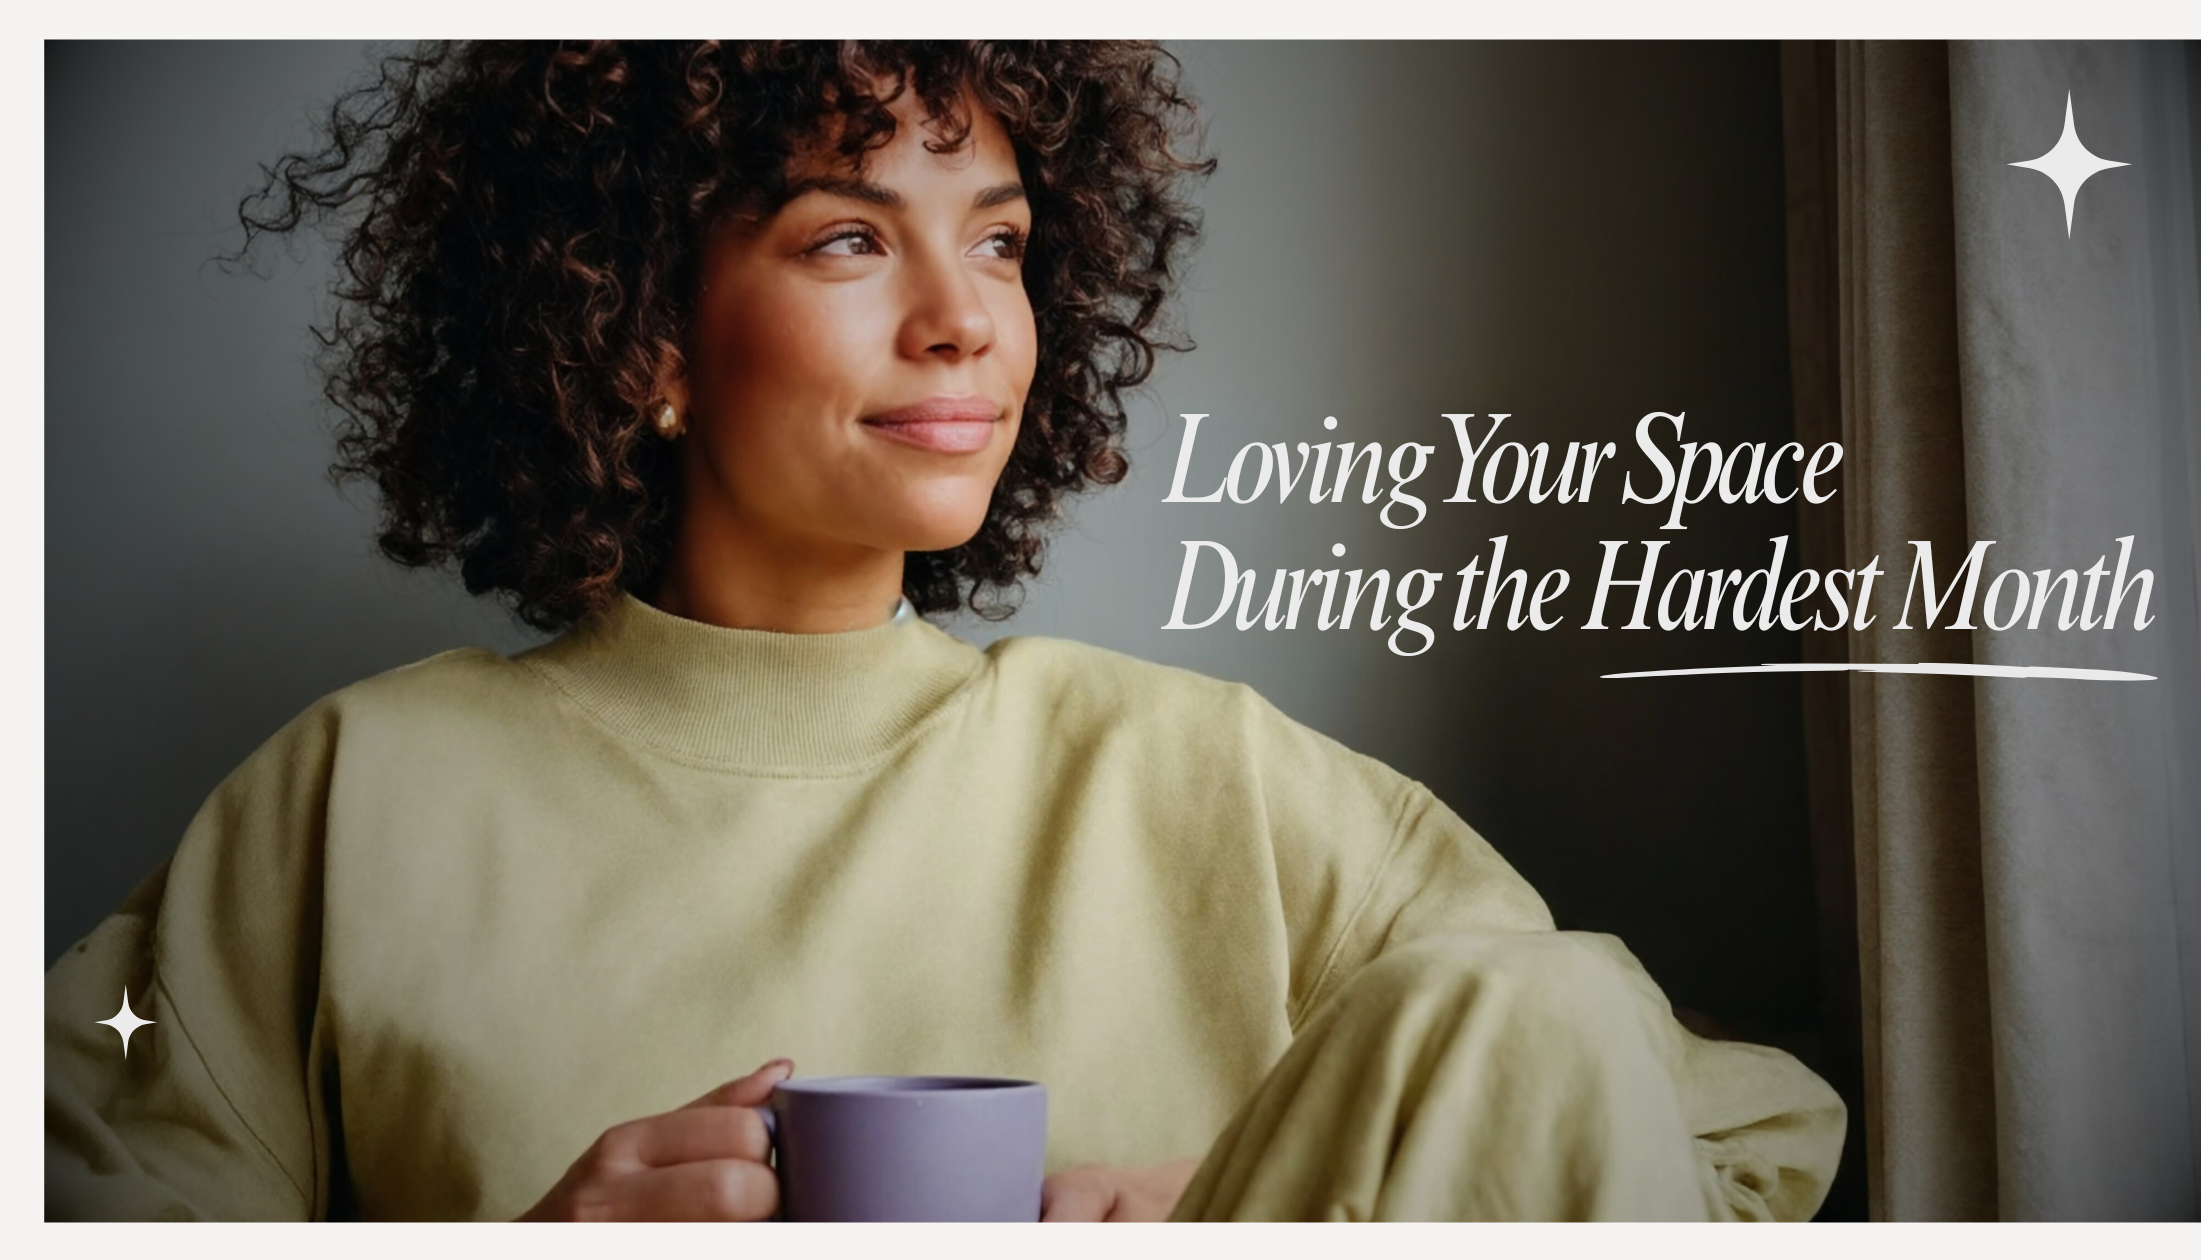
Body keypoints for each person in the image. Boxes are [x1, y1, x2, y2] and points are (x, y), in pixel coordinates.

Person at [44, 40, 1844, 1222]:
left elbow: (1744, 1132)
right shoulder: (353, 803)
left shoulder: (1211, 782)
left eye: (997, 243)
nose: (964, 321)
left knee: (1530, 1004)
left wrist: (1262, 1204)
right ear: (643, 333)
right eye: (849, 240)